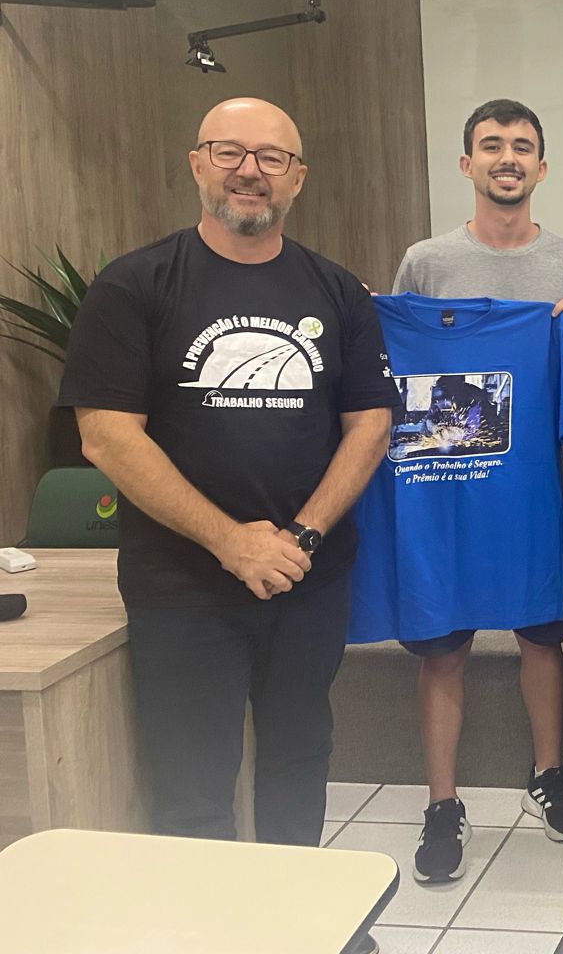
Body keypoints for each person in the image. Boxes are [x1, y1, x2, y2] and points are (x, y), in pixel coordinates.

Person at [59, 97, 394, 846]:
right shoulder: (135, 286)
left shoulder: (338, 291)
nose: (250, 172)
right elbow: (107, 436)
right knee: (192, 792)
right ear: (197, 163)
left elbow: (372, 421)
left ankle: (299, 926)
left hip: (308, 581)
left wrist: (301, 537)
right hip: (182, 590)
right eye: (230, 152)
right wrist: (231, 542)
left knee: (299, 767)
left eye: (272, 158)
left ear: (298, 177)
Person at [388, 99, 563, 879]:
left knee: (542, 634)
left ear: (541, 168)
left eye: (522, 147)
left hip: (539, 482)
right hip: (443, 484)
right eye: (491, 146)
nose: (506, 158)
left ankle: (549, 774)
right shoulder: (426, 261)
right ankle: (442, 803)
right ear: (466, 163)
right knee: (442, 644)